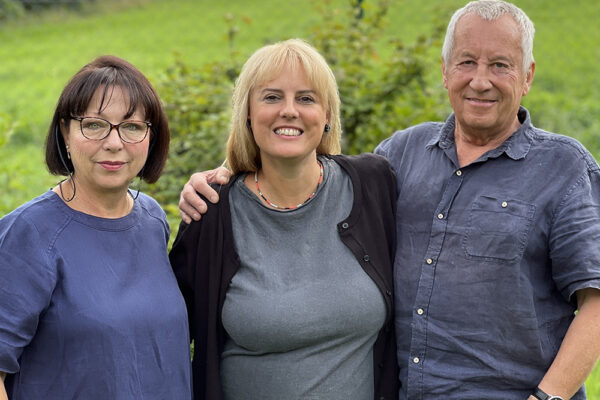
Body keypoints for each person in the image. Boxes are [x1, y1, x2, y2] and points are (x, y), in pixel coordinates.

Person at [178, 1, 600, 399]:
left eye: (500, 65)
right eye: (466, 62)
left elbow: (595, 302)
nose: (480, 80)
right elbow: (301, 160)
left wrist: (548, 397)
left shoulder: (564, 168)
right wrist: (227, 171)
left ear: (527, 75)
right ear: (445, 71)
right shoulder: (401, 156)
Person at [168, 39, 398, 400]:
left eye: (306, 98)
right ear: (247, 112)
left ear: (327, 116)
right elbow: (164, 334)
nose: (289, 111)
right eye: (271, 97)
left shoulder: (374, 186)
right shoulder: (210, 211)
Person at [0, 56, 192, 399]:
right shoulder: (28, 234)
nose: (114, 143)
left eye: (132, 126)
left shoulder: (151, 220)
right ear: (65, 132)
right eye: (94, 124)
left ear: (152, 136)